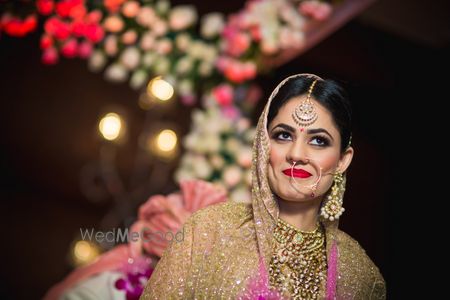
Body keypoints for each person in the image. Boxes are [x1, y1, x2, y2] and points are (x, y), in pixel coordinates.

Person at [140, 73, 386, 299]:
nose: (297, 154)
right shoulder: (208, 232)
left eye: (319, 140)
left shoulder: (362, 277)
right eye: (284, 135)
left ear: (343, 160)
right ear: (262, 144)